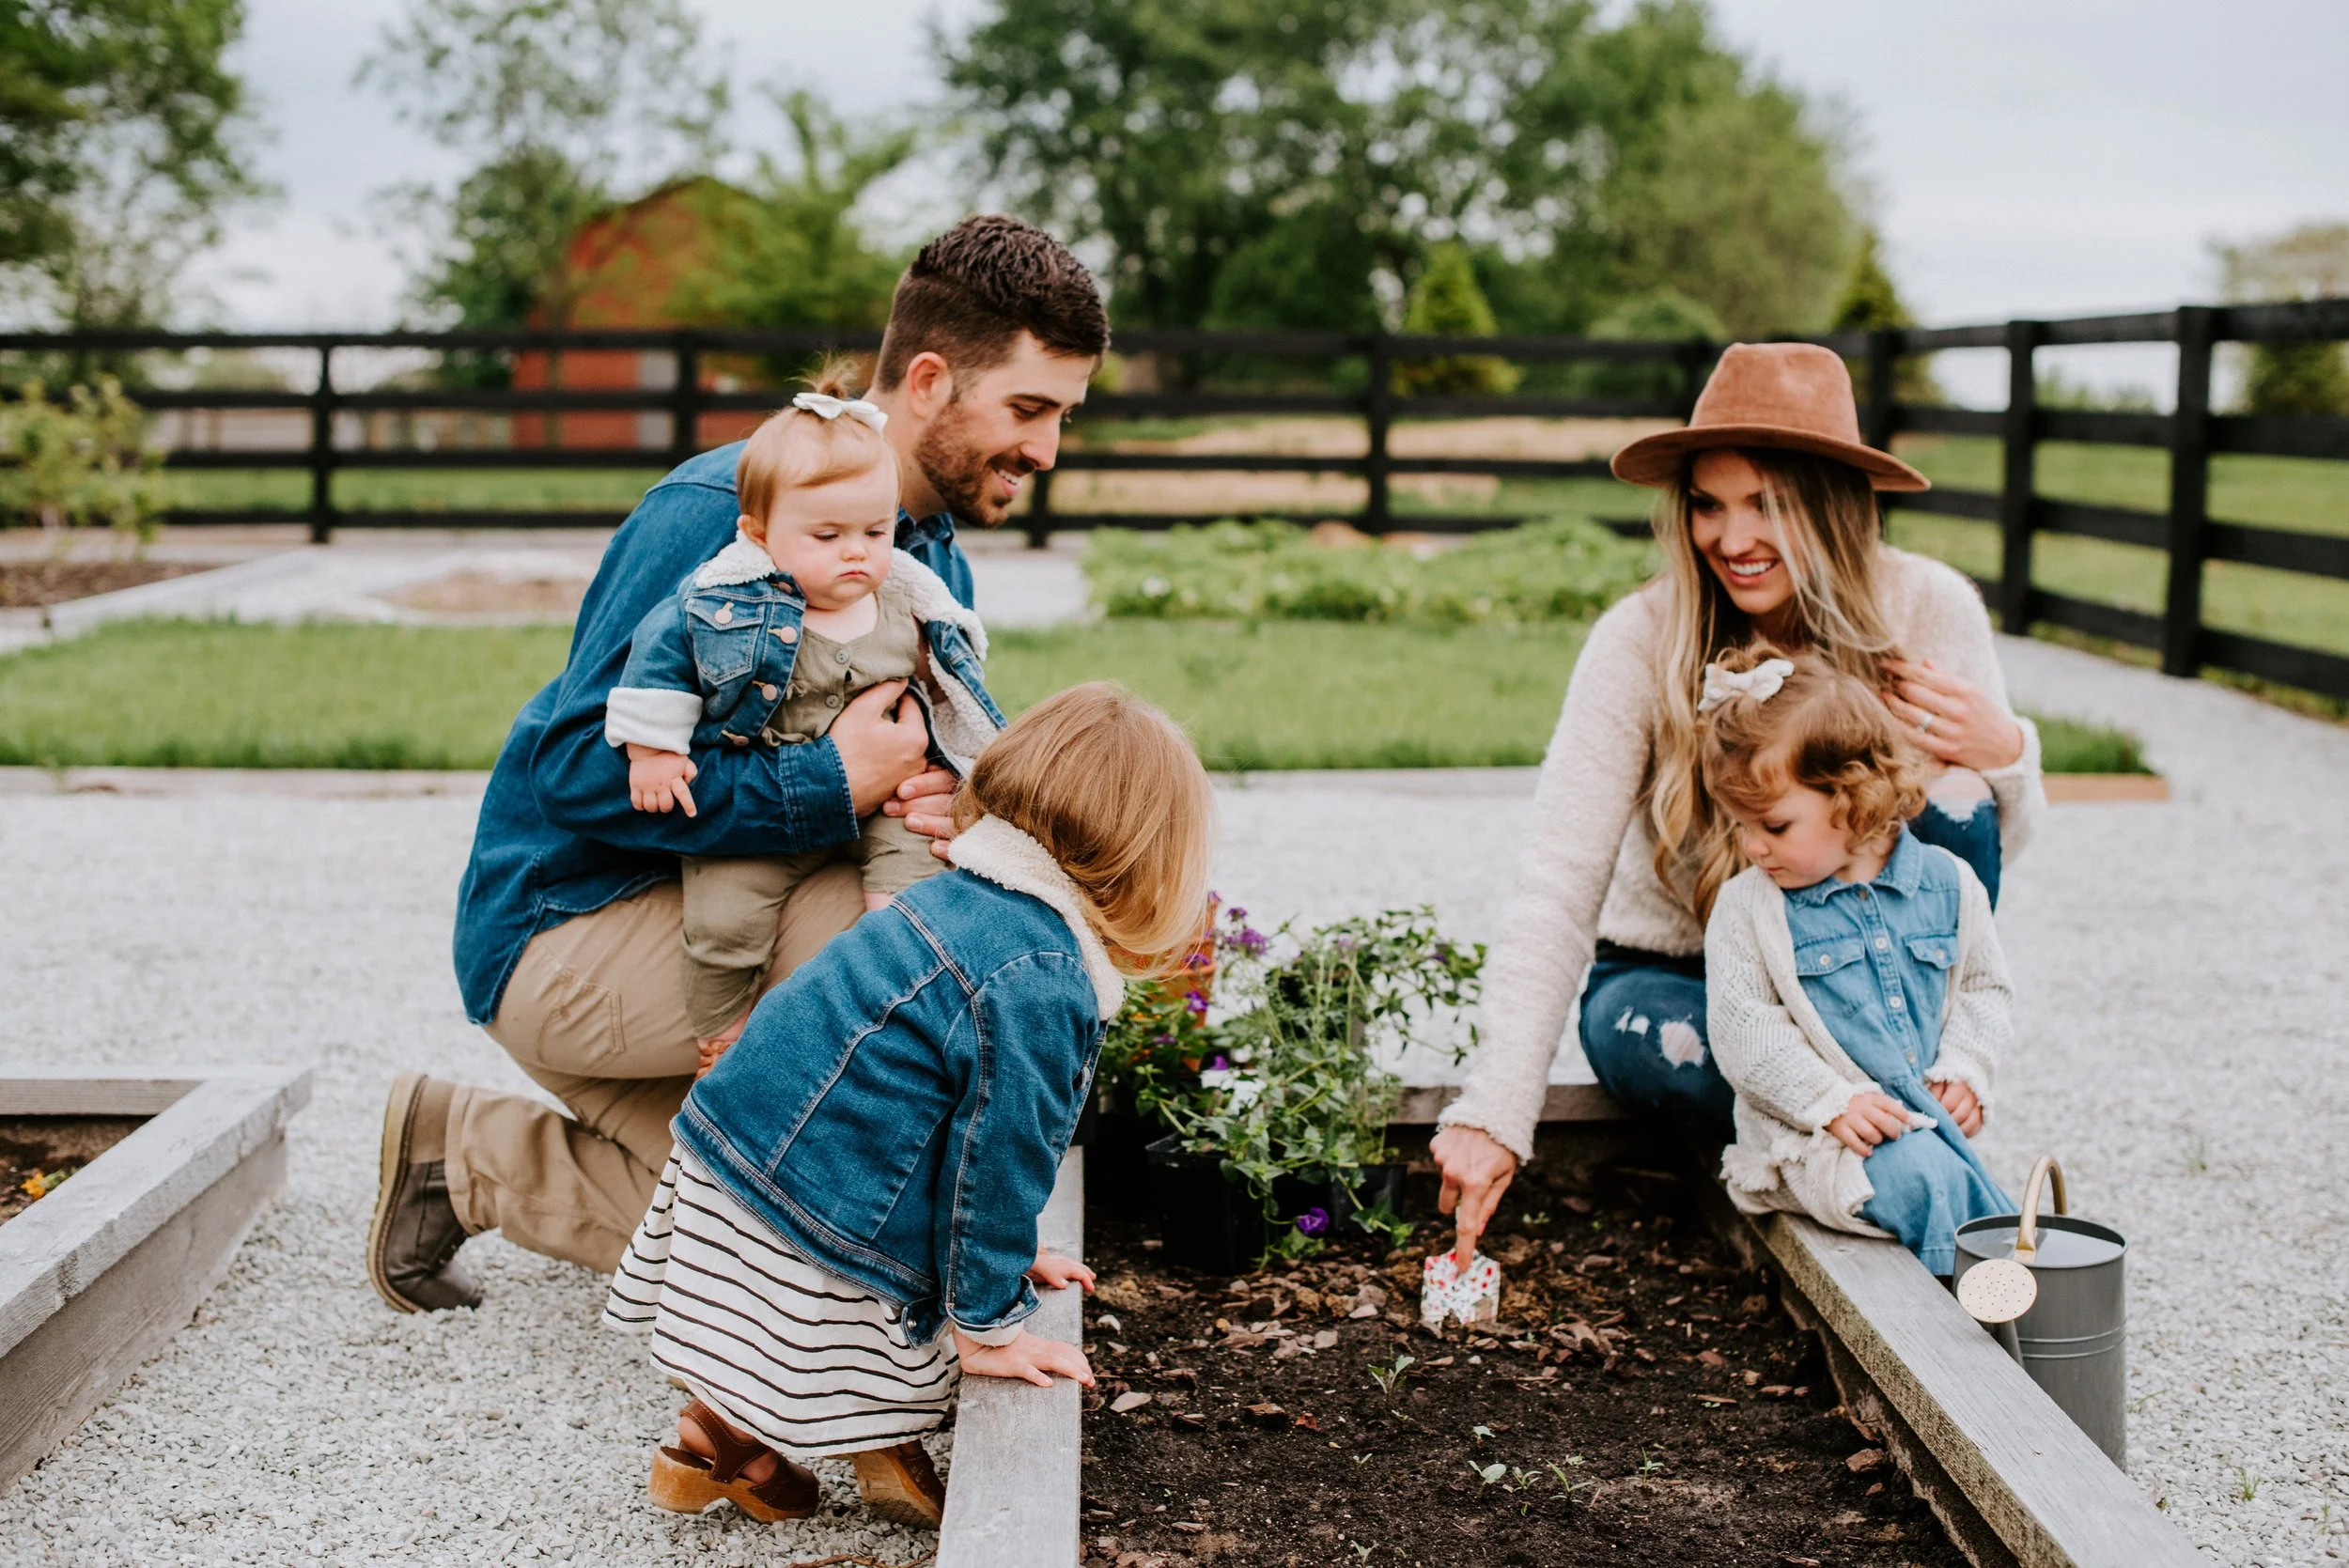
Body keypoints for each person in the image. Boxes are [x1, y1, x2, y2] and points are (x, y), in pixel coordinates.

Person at [367, 215, 1109, 1314]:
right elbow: (570, 767)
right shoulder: (725, 518)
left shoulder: (926, 553)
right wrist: (836, 784)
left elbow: (916, 745)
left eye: (1061, 417)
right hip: (567, 929)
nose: (1046, 451)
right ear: (929, 380)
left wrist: (939, 789)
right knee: (913, 947)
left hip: (716, 928)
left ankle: (462, 1150)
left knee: (793, 1251)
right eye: (1029, 410)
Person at [1429, 342, 2045, 1261]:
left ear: (1833, 504)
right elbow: (1557, 880)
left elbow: (1979, 858)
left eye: (1766, 502)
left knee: (1956, 790)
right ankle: (1911, 1171)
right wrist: (1497, 1108)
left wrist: (2010, 756)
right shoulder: (1641, 636)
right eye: (1708, 505)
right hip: (1679, 988)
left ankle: (1877, 1138)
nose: (1730, 537)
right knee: (1707, 1053)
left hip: (1871, 996)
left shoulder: (1927, 608)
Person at [602, 683, 1217, 1529]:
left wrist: (1010, 1251)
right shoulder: (1040, 974)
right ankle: (869, 1447)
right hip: (819, 1196)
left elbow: (929, 1107)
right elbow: (996, 1157)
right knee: (902, 1330)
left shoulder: (954, 891)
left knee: (804, 1328)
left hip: (735, 1143)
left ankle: (710, 1441)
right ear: (1146, 861)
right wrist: (992, 1323)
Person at [605, 361, 1003, 1067]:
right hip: (766, 811)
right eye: (828, 536)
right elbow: (660, 658)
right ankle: (721, 1029)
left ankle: (900, 970)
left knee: (919, 872)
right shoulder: (727, 601)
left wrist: (963, 774)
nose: (856, 552)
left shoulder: (912, 600)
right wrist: (655, 748)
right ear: (758, 535)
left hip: (883, 807)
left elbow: (955, 691)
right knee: (723, 919)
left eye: (876, 533)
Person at [1698, 644, 2015, 1274]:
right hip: (1813, 1147)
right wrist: (1831, 1100)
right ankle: (1955, 1345)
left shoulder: (1948, 885)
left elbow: (1985, 988)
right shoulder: (1749, 910)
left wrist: (1966, 1069)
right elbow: (1744, 1030)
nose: (1754, 846)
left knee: (1997, 1217)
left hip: (1922, 1129)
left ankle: (2016, 1340)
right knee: (1929, 1186)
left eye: (1775, 825)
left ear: (1854, 796)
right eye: (1741, 826)